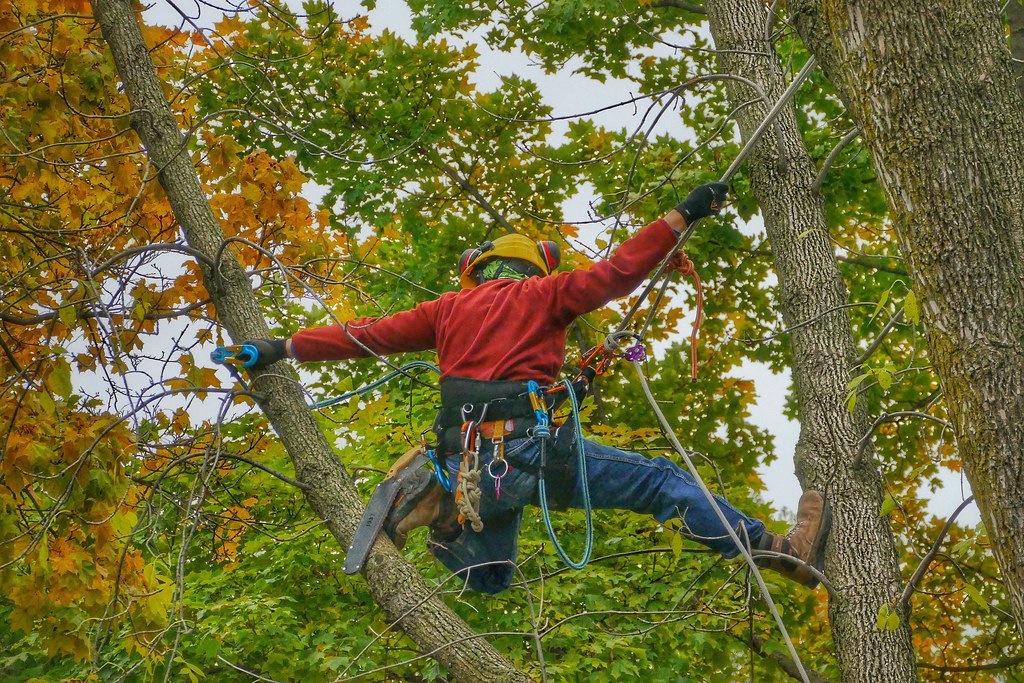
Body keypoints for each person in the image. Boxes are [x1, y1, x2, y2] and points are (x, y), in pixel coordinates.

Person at [242, 183, 830, 594]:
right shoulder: (547, 294)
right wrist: (681, 216)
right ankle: (776, 547)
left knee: (492, 580)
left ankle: (444, 511)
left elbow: (362, 336)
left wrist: (279, 348)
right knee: (660, 481)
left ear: (478, 268)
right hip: (527, 456)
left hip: (465, 459)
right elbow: (618, 271)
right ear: (539, 268)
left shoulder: (447, 309)